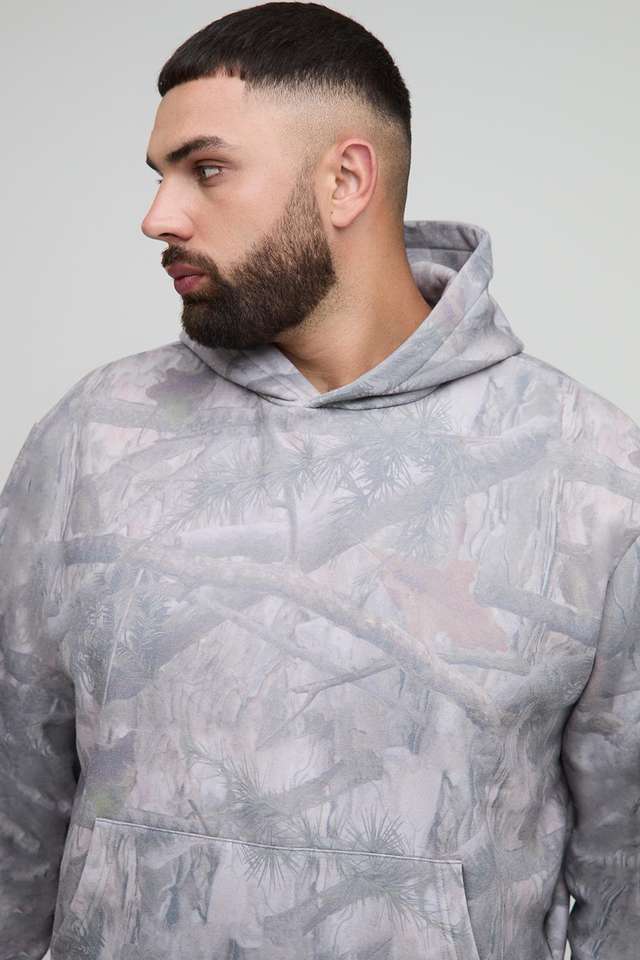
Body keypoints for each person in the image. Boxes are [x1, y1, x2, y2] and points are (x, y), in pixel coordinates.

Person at [1, 3, 638, 959]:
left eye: (205, 169)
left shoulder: (588, 472)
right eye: (159, 174)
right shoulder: (93, 438)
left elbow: (625, 874)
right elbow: (14, 798)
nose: (158, 216)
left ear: (345, 181)